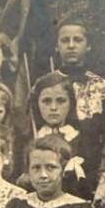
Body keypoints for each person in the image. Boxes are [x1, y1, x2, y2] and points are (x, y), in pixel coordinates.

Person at [54, 18, 105, 157]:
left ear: (88, 45)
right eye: (65, 40)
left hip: (91, 160)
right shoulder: (47, 84)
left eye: (77, 40)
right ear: (57, 46)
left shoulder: (101, 86)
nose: (71, 45)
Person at [27, 70, 92, 199]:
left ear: (71, 104)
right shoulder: (28, 140)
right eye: (46, 101)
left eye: (61, 101)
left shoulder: (83, 140)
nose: (53, 107)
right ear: (37, 104)